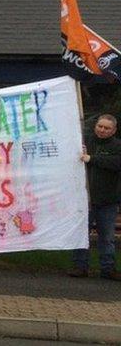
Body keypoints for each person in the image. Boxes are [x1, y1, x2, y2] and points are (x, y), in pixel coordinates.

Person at [70, 114, 121, 280]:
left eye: (107, 128)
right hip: (84, 198)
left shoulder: (117, 146)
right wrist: (80, 153)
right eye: (100, 126)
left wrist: (92, 159)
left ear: (113, 130)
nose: (102, 130)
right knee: (81, 234)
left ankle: (108, 268)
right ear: (95, 126)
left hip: (107, 200)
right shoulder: (85, 142)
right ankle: (80, 266)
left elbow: (116, 163)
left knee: (106, 237)